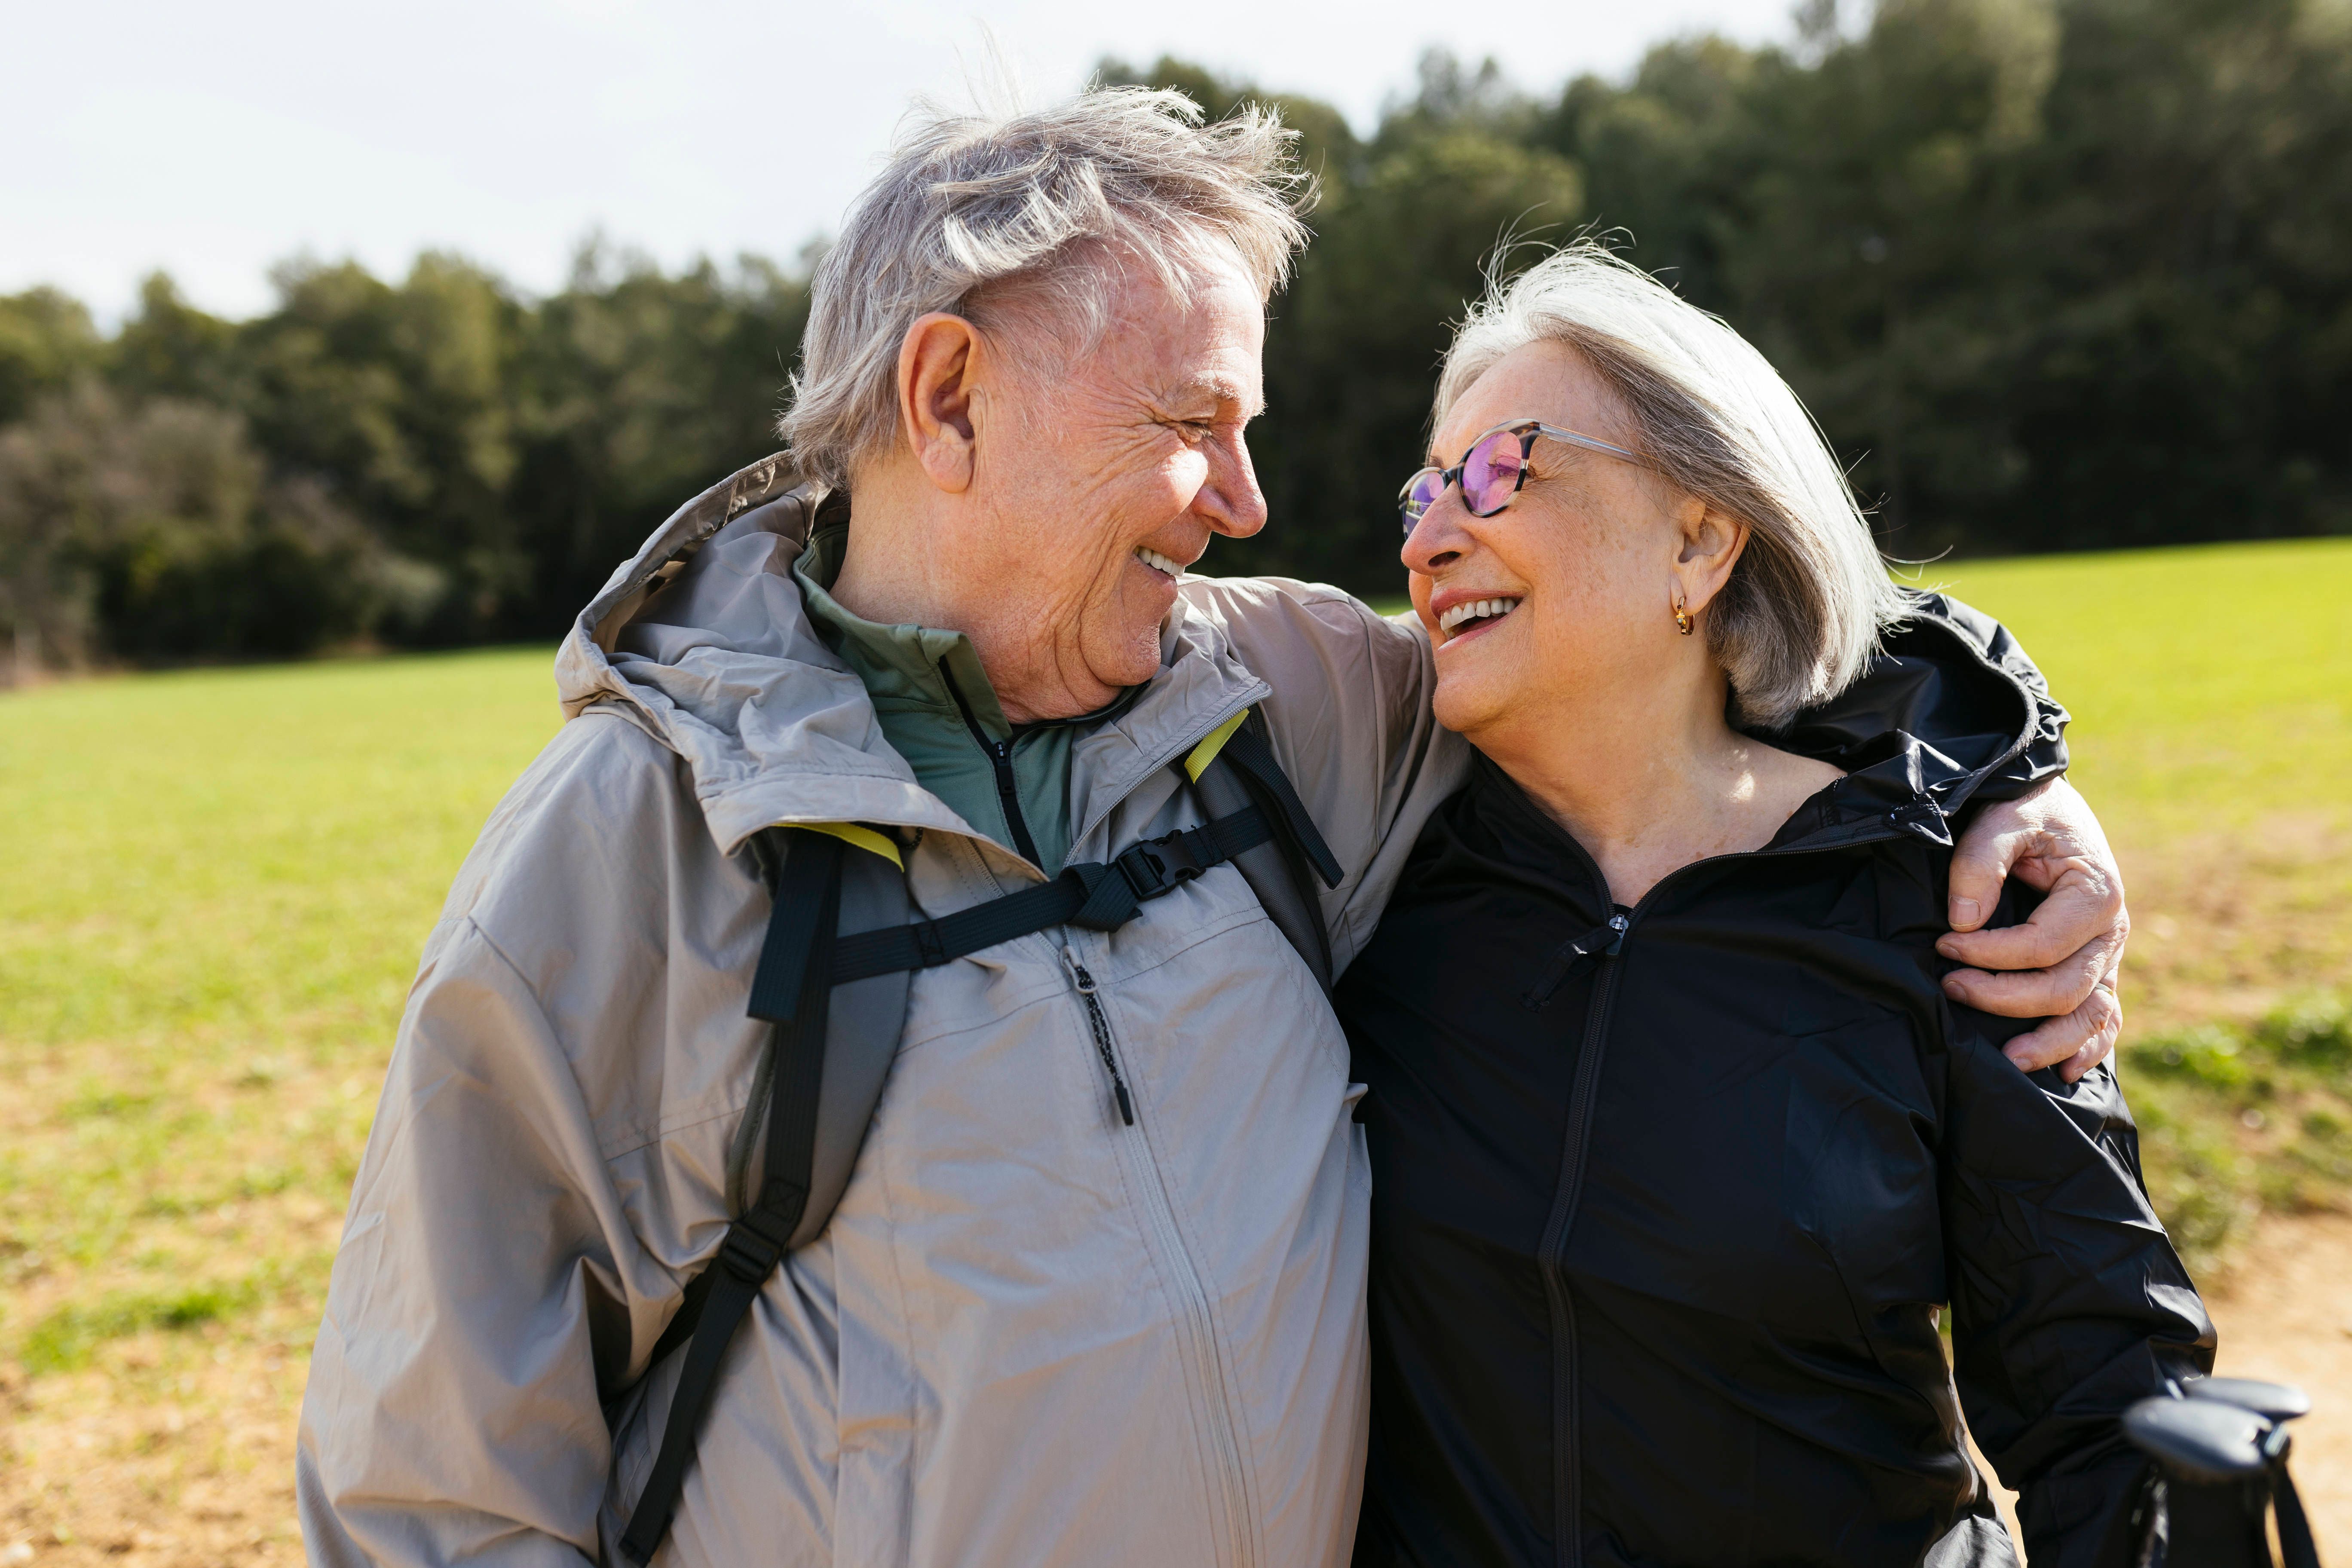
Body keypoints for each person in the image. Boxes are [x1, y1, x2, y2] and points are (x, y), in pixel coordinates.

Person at [296, 92, 2131, 1566]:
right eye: (1193, 421)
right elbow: (432, 1495)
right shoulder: (631, 847)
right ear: (948, 399)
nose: (1249, 503)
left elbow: (1657, 653)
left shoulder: (1287, 704)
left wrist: (1996, 756)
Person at [1338, 245, 2209, 1568]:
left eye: (1504, 469)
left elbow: (2110, 1401)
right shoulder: (1371, 870)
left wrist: (2002, 761)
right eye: (1426, 489)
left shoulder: (1945, 898)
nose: (1427, 539)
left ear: (1701, 542)